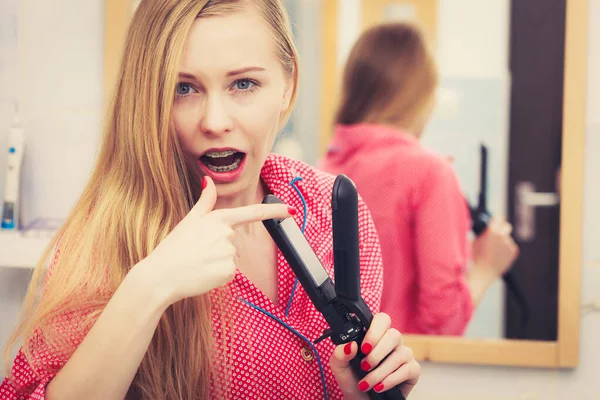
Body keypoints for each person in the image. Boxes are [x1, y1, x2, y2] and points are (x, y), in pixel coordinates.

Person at [1, 1, 421, 399]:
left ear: (287, 86)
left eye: (244, 84)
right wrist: (150, 288)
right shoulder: (105, 239)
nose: (215, 122)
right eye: (184, 88)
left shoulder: (334, 209)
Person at [319, 22, 519, 336]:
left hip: (331, 374)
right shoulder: (429, 173)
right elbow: (442, 324)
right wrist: (486, 267)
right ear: (423, 94)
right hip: (403, 376)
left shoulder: (320, 170)